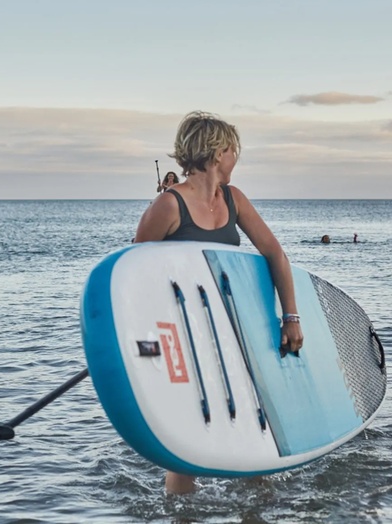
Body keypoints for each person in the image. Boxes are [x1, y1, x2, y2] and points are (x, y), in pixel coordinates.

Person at [134, 110, 304, 495]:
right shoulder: (168, 206)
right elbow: (135, 271)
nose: (236, 158)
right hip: (183, 334)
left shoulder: (233, 199)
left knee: (251, 430)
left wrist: (290, 316)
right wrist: (147, 342)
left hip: (230, 334)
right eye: (233, 150)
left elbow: (275, 254)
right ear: (216, 152)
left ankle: (254, 512)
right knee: (186, 442)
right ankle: (181, 517)